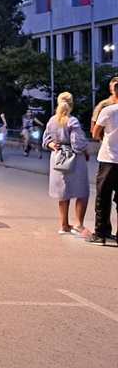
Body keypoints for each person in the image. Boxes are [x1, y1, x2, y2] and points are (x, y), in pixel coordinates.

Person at [42, 93, 89, 234]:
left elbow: (45, 140)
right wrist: (86, 150)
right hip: (74, 159)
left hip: (57, 158)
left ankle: (64, 225)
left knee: (63, 193)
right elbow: (77, 144)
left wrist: (52, 145)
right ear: (72, 103)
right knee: (82, 191)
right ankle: (79, 224)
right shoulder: (72, 121)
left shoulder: (52, 120)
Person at [88, 77, 118, 244]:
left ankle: (101, 233)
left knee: (103, 197)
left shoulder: (108, 110)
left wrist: (105, 138)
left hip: (108, 159)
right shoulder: (104, 106)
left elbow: (95, 132)